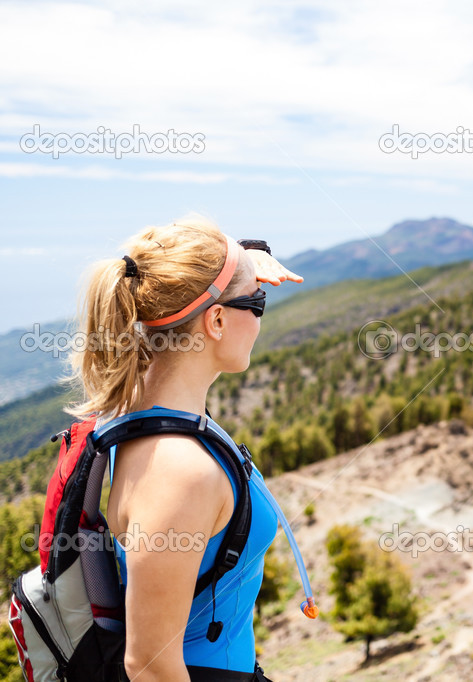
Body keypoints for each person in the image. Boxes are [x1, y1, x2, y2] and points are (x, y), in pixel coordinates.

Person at [64, 215, 303, 681]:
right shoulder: (179, 471)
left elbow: (165, 272)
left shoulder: (142, 408)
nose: (259, 316)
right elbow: (149, 666)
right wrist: (234, 275)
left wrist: (240, 268)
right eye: (257, 303)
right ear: (215, 319)